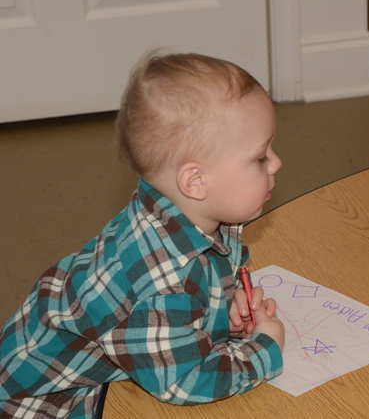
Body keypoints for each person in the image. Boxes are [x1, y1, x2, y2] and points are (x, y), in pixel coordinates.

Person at [0, 51, 284, 418]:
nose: (276, 163)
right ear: (195, 181)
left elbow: (197, 287)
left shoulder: (174, 211)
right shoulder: (162, 282)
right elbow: (184, 381)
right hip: (46, 404)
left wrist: (221, 310)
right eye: (261, 157)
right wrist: (263, 350)